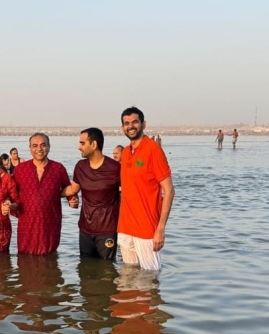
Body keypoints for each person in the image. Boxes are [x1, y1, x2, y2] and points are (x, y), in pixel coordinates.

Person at [117, 107, 175, 271]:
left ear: (143, 124)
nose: (131, 126)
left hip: (147, 228)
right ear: (123, 128)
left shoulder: (153, 149)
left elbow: (169, 190)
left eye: (135, 122)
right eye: (126, 123)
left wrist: (161, 229)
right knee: (128, 280)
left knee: (149, 281)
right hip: (125, 227)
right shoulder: (126, 152)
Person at [12, 133, 77, 255]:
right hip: (27, 223)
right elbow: (12, 193)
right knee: (25, 262)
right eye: (35, 146)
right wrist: (10, 204)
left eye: (43, 145)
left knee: (49, 259)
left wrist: (73, 199)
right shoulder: (21, 169)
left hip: (50, 223)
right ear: (30, 148)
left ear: (49, 146)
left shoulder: (58, 168)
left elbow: (68, 188)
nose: (39, 149)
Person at [64, 127, 121, 259]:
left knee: (106, 271)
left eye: (82, 143)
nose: (79, 147)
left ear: (94, 144)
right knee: (84, 270)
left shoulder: (115, 168)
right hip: (85, 229)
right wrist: (48, 192)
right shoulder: (80, 166)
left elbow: (128, 194)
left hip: (107, 230)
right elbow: (73, 189)